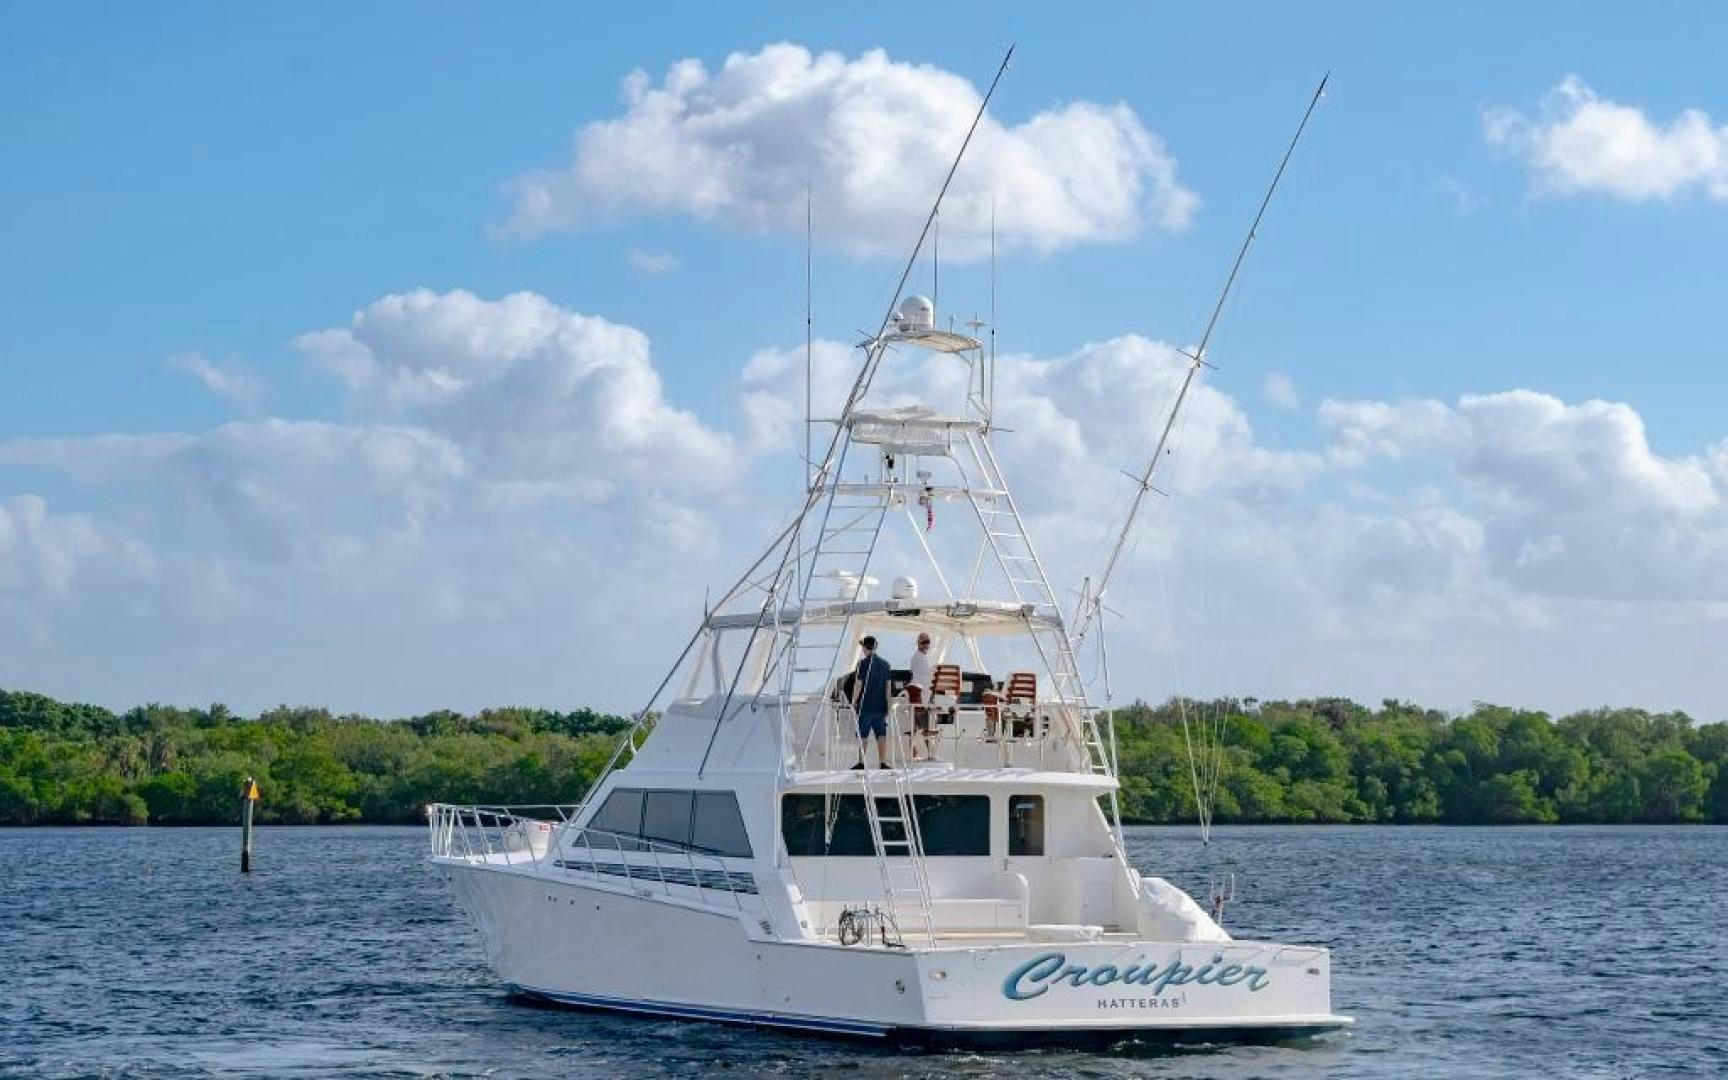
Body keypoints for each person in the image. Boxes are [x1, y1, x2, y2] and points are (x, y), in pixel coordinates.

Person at [849, 635, 893, 769]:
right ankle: (883, 762)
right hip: (880, 706)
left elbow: (858, 685)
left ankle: (862, 763)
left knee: (863, 735)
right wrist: (888, 705)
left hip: (866, 706)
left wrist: (853, 702)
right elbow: (888, 688)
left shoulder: (862, 664)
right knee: (881, 734)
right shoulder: (886, 664)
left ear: (865, 647)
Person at [905, 632, 935, 761]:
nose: (925, 644)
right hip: (920, 697)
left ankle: (919, 753)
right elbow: (923, 679)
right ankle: (926, 754)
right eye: (923, 642)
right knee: (923, 727)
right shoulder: (918, 658)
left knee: (919, 728)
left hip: (923, 697)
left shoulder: (923, 658)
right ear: (917, 643)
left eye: (927, 642)